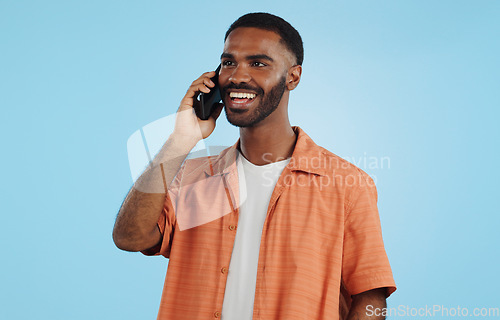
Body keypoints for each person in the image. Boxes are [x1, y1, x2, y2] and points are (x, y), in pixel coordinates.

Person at [113, 12, 396, 320]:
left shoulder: (347, 184)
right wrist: (181, 140)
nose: (236, 76)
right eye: (229, 62)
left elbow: (370, 298)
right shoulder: (191, 177)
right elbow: (129, 238)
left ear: (293, 77)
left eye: (258, 63)